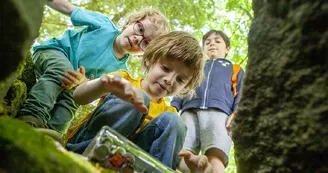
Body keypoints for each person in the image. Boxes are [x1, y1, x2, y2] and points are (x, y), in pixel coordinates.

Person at [15, 0, 170, 134]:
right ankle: (32, 116)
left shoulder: (120, 73)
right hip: (54, 53)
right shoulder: (104, 25)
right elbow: (69, 9)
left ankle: (51, 133)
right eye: (140, 29)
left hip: (71, 84)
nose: (137, 38)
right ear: (130, 22)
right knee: (62, 71)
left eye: (146, 43)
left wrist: (82, 82)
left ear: (142, 54)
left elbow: (92, 93)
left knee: (72, 100)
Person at [65, 31, 204, 170]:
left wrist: (195, 168)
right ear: (150, 60)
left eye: (180, 80)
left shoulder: (169, 115)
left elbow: (173, 156)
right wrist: (103, 86)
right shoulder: (123, 80)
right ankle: (91, 156)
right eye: (166, 68)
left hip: (128, 165)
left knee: (174, 121)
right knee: (138, 96)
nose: (170, 80)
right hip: (89, 146)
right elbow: (79, 96)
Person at [171, 30, 244, 173]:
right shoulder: (195, 66)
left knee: (215, 156)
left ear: (227, 48)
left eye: (217, 41)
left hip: (219, 114)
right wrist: (174, 106)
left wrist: (238, 113)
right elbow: (182, 85)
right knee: (181, 154)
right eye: (208, 42)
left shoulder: (235, 68)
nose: (212, 44)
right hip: (189, 110)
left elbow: (242, 92)